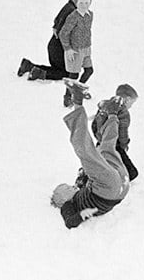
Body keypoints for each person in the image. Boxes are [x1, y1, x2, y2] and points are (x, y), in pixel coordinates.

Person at [49, 81, 130, 229]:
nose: (69, 186)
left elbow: (85, 176)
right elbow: (70, 222)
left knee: (106, 148)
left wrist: (83, 175)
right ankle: (77, 102)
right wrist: (81, 215)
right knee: (84, 150)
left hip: (120, 186)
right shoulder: (67, 206)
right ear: (61, 199)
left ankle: (113, 114)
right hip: (106, 190)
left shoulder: (79, 189)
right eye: (65, 188)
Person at [18, 0, 86, 81]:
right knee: (65, 73)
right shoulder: (73, 11)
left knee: (60, 70)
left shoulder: (69, 7)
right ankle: (36, 72)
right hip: (59, 48)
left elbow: (57, 22)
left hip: (55, 46)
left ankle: (29, 66)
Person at [91, 84, 139, 181]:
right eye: (132, 103)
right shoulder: (123, 112)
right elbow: (122, 132)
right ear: (127, 99)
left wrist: (100, 139)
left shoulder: (105, 106)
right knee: (132, 173)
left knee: (98, 162)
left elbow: (94, 125)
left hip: (102, 141)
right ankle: (114, 182)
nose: (131, 106)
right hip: (115, 144)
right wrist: (124, 145)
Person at [57, 0, 94, 83]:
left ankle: (78, 89)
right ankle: (68, 95)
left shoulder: (90, 15)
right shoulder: (73, 17)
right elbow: (63, 33)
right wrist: (68, 49)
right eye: (81, 3)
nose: (84, 5)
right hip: (75, 50)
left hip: (86, 48)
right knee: (74, 75)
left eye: (86, 2)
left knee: (89, 70)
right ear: (76, 3)